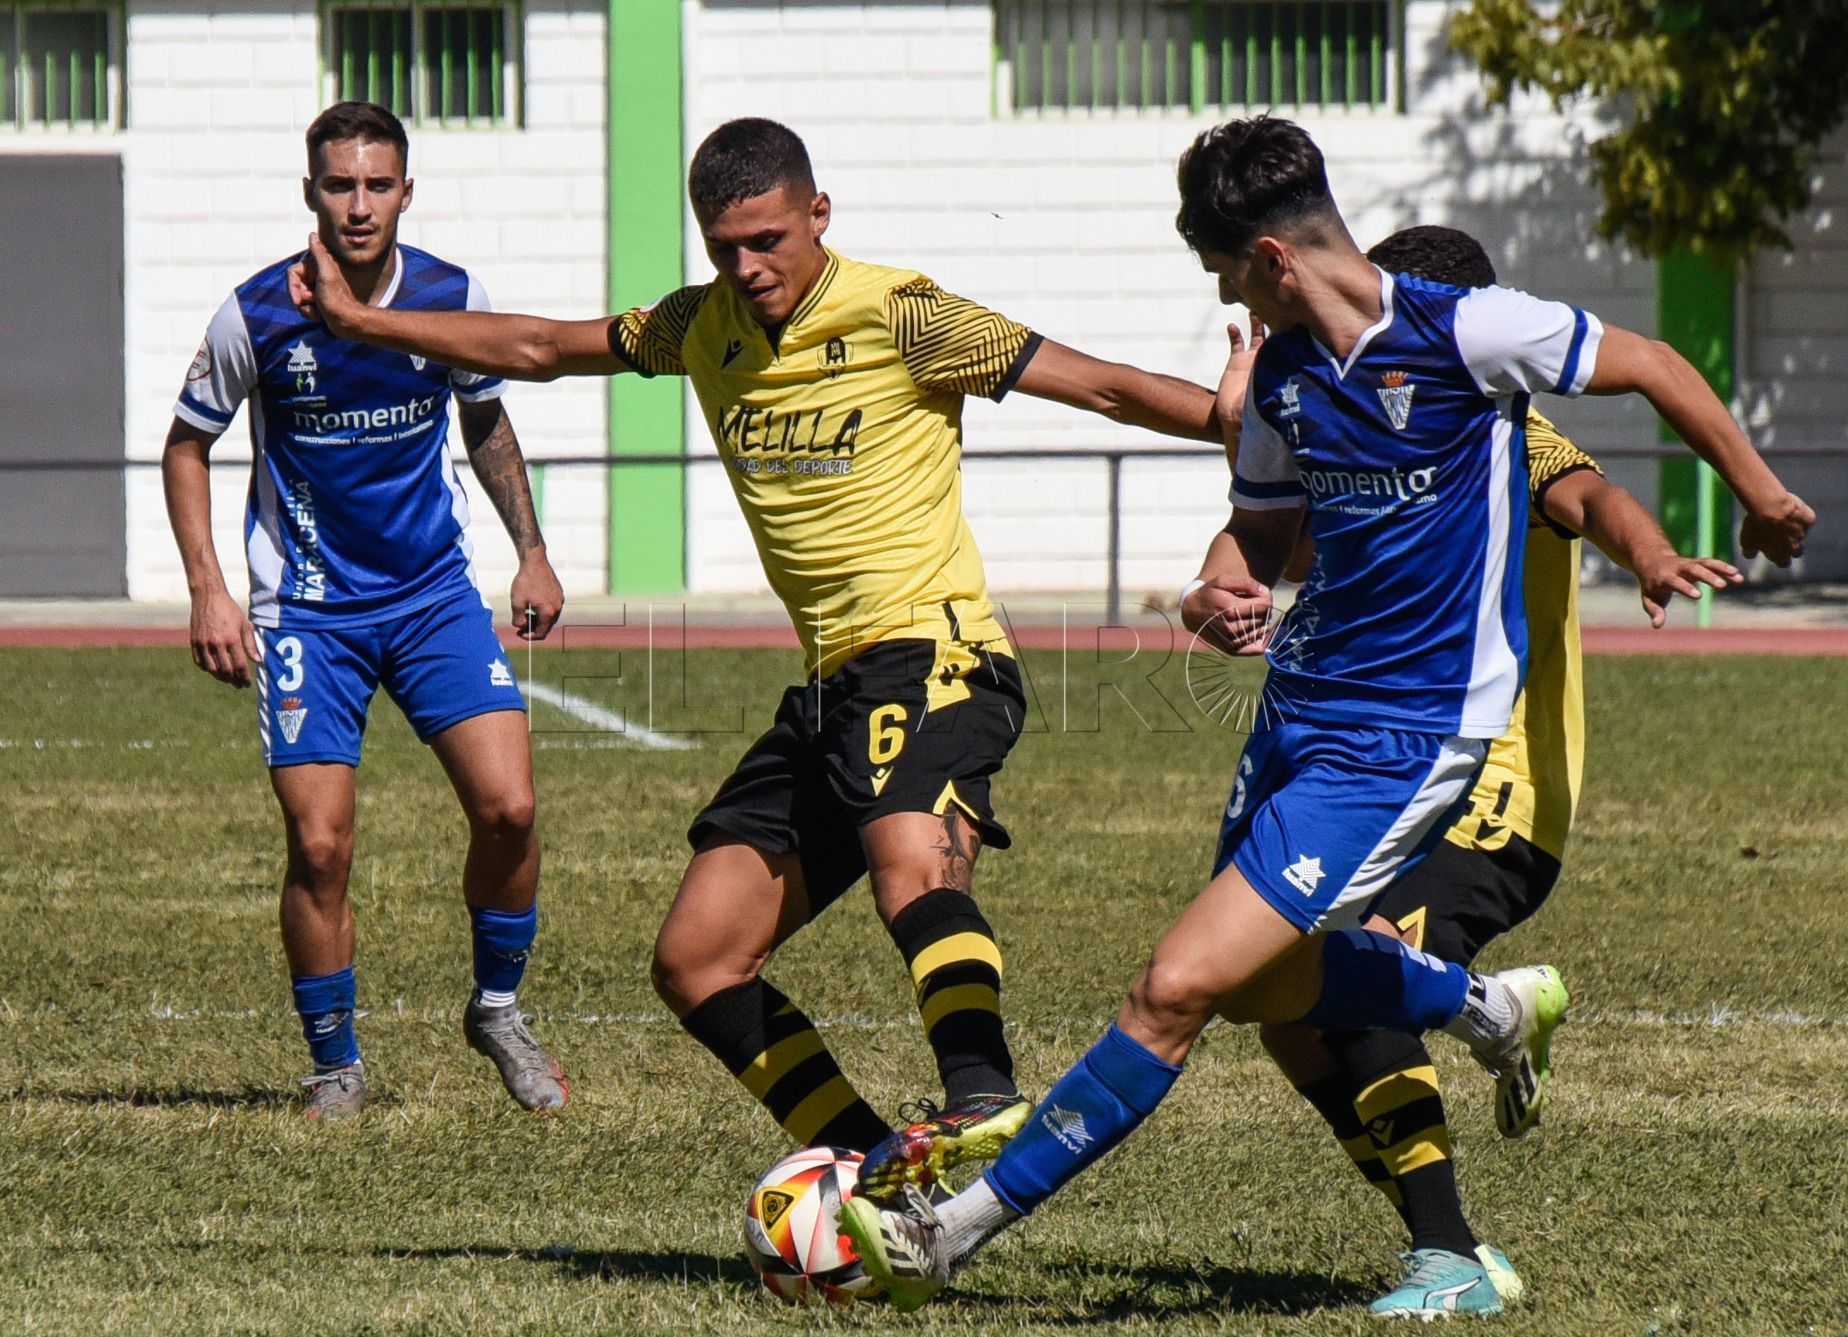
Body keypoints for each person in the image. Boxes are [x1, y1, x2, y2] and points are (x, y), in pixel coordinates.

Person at [839, 116, 1815, 1311]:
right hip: (1297, 711)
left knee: (1175, 987)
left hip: (1408, 735)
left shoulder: (1468, 329)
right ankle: (1485, 1007)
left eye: (1220, 269)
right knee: (1260, 990)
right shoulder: (1286, 379)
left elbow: (1652, 363)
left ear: (1271, 256)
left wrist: (1756, 500)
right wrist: (1220, 587)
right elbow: (1256, 534)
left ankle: (952, 1234)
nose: (1222, 296)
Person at [289, 116, 1228, 1190]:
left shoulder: (903, 314)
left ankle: (983, 1093)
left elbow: (1096, 384)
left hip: (936, 649)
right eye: (725, 246)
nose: (749, 268)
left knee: (907, 857)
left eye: (770, 240)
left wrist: (1231, 420)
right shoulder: (701, 326)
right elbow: (540, 349)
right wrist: (366, 324)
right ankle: (882, 1167)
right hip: (832, 684)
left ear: (818, 214)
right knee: (696, 958)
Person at [1184, 223, 1790, 1318]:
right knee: (1279, 1007)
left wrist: (1648, 552)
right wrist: (1242, 432)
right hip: (1377, 759)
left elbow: (1590, 498)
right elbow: (1302, 547)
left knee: (1359, 970)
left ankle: (1449, 1247)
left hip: (1491, 791)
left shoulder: (1508, 425)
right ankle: (1461, 1171)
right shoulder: (1359, 410)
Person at [161, 101, 569, 1121]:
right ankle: (336, 1066)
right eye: (339, 185)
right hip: (307, 614)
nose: (358, 204)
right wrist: (209, 585)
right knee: (321, 844)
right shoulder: (256, 312)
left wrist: (532, 551)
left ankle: (498, 1008)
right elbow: (186, 445)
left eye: (377, 184)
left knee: (511, 808)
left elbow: (488, 420)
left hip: (433, 599)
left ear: (405, 192)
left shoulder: (447, 296)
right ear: (311, 192)